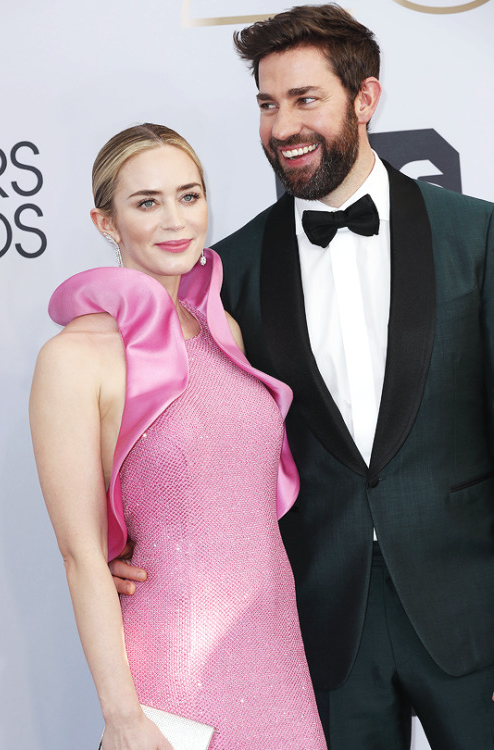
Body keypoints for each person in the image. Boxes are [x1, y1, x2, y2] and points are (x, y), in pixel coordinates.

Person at [109, 6, 494, 750]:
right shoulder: (226, 269)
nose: (282, 125)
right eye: (266, 103)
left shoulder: (476, 238)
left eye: (305, 99)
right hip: (320, 628)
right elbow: (192, 430)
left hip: (471, 618)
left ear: (366, 99)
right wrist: (121, 541)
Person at [29, 123, 328, 750]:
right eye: (147, 202)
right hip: (172, 671)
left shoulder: (224, 332)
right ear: (106, 222)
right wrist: (123, 716)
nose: (176, 220)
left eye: (189, 196)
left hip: (276, 656)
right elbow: (82, 556)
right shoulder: (75, 358)